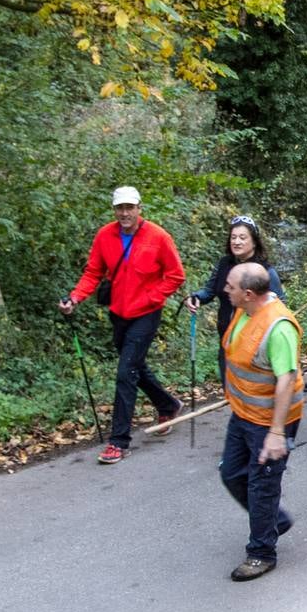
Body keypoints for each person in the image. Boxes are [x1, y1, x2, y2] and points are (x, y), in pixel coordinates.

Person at [60, 186, 185, 465]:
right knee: (134, 366)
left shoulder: (158, 236)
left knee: (125, 372)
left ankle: (119, 442)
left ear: (140, 207)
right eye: (120, 208)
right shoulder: (105, 235)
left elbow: (175, 275)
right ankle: (168, 404)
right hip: (119, 311)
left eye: (130, 207)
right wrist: (75, 297)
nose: (125, 213)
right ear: (114, 210)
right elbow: (93, 272)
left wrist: (153, 297)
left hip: (147, 313)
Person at [217, 262, 303, 582]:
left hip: (269, 422)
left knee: (262, 484)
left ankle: (261, 553)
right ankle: (273, 521)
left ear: (249, 293)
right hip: (243, 414)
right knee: (230, 473)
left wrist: (277, 433)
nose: (225, 290)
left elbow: (286, 379)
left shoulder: (278, 327)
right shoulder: (245, 310)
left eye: (230, 286)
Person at [186, 215, 284, 385]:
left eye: (242, 237)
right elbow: (210, 291)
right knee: (231, 392)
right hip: (227, 340)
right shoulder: (224, 264)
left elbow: (279, 305)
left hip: (253, 345)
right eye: (233, 237)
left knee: (250, 393)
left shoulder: (265, 271)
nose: (236, 242)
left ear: (254, 242)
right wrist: (196, 298)